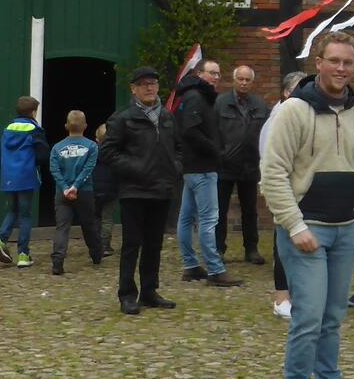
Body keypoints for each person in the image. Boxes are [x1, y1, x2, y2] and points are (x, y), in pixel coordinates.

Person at [258, 30, 354, 379]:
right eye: (334, 60)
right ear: (319, 62)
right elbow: (273, 173)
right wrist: (294, 226)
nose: (341, 69)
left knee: (333, 318)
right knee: (308, 319)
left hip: (344, 231)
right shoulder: (292, 111)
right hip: (307, 232)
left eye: (347, 62)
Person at [100, 67, 180, 316]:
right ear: (133, 89)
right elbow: (108, 152)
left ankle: (149, 290)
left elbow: (179, 148)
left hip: (161, 188)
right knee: (132, 243)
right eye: (144, 84)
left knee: (154, 244)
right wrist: (137, 168)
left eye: (153, 83)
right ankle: (127, 294)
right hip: (134, 190)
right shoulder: (123, 118)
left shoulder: (167, 117)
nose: (149, 88)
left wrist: (175, 167)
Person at [176, 59, 241, 287]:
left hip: (194, 168)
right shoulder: (195, 96)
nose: (215, 77)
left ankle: (191, 266)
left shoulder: (193, 96)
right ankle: (215, 269)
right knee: (208, 219)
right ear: (199, 73)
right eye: (211, 73)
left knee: (186, 218)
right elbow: (190, 131)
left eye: (218, 74)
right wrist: (217, 152)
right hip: (202, 168)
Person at [265, 70, 309, 319]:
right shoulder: (278, 116)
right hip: (285, 191)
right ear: (286, 92)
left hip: (305, 191)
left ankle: (300, 294)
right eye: (296, 88)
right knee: (283, 243)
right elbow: (269, 158)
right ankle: (281, 296)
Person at [215, 64, 269, 265]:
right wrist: (220, 155)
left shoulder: (261, 105)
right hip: (225, 166)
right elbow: (213, 133)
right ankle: (219, 249)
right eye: (241, 79)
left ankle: (251, 249)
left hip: (250, 165)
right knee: (219, 210)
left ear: (252, 82)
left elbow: (266, 133)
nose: (244, 83)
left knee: (250, 209)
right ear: (234, 80)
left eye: (248, 80)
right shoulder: (221, 103)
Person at [0, 96, 48, 269]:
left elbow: (1, 156)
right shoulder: (34, 129)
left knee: (13, 209)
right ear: (33, 112)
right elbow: (43, 154)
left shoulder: (7, 129)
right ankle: (23, 253)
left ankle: (0, 239)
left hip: (9, 176)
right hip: (26, 176)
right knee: (25, 214)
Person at [48, 109, 103, 275]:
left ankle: (58, 261)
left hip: (62, 193)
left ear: (66, 126)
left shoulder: (57, 148)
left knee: (62, 227)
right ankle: (96, 253)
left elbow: (54, 169)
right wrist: (76, 186)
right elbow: (88, 168)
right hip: (84, 192)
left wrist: (65, 187)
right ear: (85, 126)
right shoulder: (91, 146)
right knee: (89, 224)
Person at [92, 121, 117, 261]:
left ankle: (96, 244)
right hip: (111, 189)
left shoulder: (91, 152)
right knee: (107, 218)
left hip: (94, 188)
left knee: (95, 217)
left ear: (97, 139)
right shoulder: (114, 153)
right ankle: (105, 245)